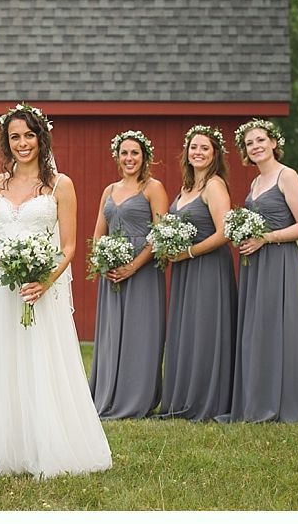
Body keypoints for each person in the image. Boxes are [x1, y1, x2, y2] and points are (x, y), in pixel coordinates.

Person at [0, 103, 111, 478]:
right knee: (2, 363)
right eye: (14, 137)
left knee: (42, 364)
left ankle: (48, 444)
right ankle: (2, 445)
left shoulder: (61, 185)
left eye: (28, 135)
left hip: (41, 288)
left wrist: (43, 282)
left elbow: (70, 247)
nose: (22, 143)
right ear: (5, 142)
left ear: (41, 138)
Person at [217, 119, 298, 423]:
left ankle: (284, 401)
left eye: (261, 140)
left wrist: (266, 238)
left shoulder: (288, 177)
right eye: (249, 143)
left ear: (274, 143)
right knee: (257, 330)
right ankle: (257, 398)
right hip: (255, 264)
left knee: (278, 327)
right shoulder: (255, 184)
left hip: (279, 261)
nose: (256, 146)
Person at [157, 125, 237, 421]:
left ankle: (207, 400)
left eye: (205, 148)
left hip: (208, 268)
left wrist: (188, 252)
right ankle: (183, 398)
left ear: (215, 155)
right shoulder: (186, 188)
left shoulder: (214, 185)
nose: (198, 152)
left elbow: (224, 233)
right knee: (187, 331)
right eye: (194, 147)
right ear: (187, 153)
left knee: (206, 331)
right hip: (185, 270)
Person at [89, 130, 169, 419]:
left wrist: (133, 266)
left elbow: (160, 235)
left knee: (140, 332)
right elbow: (99, 232)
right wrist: (104, 258)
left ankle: (136, 398)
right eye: (124, 153)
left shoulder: (153, 187)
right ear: (117, 156)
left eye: (135, 152)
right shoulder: (109, 191)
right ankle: (108, 393)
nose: (129, 158)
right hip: (111, 273)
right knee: (112, 333)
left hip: (143, 272)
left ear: (144, 156)